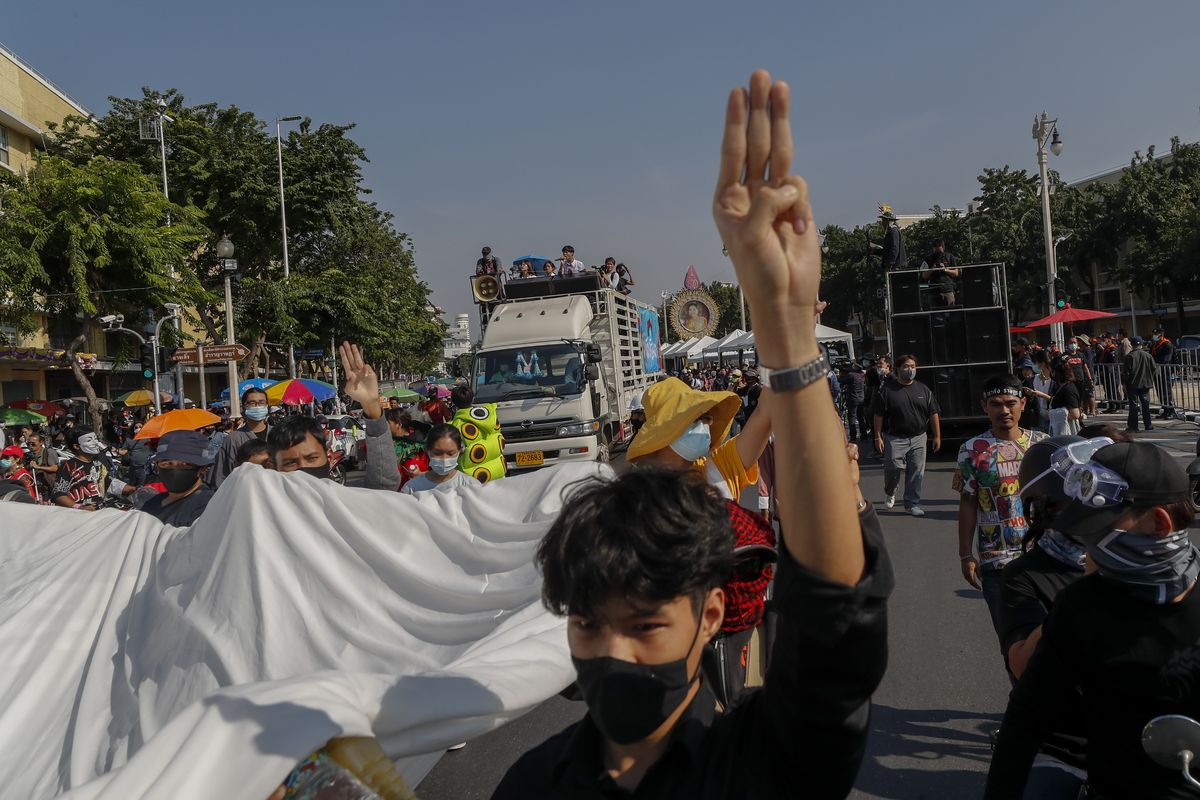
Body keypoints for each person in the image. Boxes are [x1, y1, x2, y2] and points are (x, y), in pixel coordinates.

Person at [495, 72, 891, 799]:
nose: (612, 655)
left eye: (645, 628)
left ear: (709, 613)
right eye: (588, 626)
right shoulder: (527, 784)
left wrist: (789, 332)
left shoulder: (759, 770)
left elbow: (836, 618)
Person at [985, 440, 1200, 799]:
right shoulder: (1079, 604)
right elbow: (1026, 714)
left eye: (1099, 530)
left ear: (1159, 524)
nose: (1088, 543)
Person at [994, 433, 1099, 797]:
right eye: (1082, 499)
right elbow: (1021, 664)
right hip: (1060, 745)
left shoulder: (1144, 561)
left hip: (1140, 738)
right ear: (1045, 507)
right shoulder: (1024, 575)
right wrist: (1088, 585)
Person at [955, 374, 1048, 636]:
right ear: (984, 406)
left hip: (1046, 556)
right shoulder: (972, 449)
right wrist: (965, 554)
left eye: (1010, 402)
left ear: (1023, 403)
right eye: (995, 404)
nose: (1004, 410)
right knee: (1014, 641)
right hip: (997, 562)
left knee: (1053, 639)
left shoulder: (1042, 444)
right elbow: (968, 502)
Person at [872, 354, 941, 516]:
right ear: (897, 369)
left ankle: (912, 503)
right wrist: (877, 436)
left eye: (912, 366)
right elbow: (878, 415)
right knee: (893, 468)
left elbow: (934, 413)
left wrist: (937, 436)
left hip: (918, 437)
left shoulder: (923, 389)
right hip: (894, 438)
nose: (909, 370)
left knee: (916, 471)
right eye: (906, 366)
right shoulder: (887, 390)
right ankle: (891, 490)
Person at [139, 430, 217, 526]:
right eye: (167, 463)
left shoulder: (207, 507)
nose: (175, 470)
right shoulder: (151, 503)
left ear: (203, 469)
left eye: (185, 464)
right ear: (157, 466)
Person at [51, 427, 136, 509]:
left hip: (98, 513)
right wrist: (79, 507)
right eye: (89, 440)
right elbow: (58, 494)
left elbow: (108, 483)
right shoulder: (68, 466)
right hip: (78, 516)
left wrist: (133, 489)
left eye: (95, 439)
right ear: (77, 446)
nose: (95, 443)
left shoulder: (98, 464)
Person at [208, 387, 273, 488]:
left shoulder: (277, 434)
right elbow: (221, 476)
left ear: (267, 406)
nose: (257, 406)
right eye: (252, 403)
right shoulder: (234, 438)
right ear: (244, 407)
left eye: (261, 402)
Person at [400, 424, 477, 494]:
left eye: (450, 453)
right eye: (437, 453)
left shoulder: (471, 485)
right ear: (428, 450)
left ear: (459, 451)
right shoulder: (412, 488)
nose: (444, 459)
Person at [1122, 335, 1156, 432]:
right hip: (1145, 384)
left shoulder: (1130, 356)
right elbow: (1154, 369)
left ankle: (1133, 426)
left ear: (1132, 345)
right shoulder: (1148, 356)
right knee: (1145, 404)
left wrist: (1124, 384)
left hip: (1132, 384)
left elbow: (1126, 373)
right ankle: (1148, 425)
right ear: (1141, 344)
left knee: (1133, 405)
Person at [1048, 359, 1081, 436]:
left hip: (1067, 431)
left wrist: (1057, 419)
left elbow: (1075, 414)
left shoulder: (1069, 388)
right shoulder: (1061, 387)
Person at [1150, 326, 1176, 419]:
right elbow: (1151, 356)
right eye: (1154, 334)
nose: (1154, 336)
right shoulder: (1154, 344)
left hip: (1165, 370)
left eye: (1156, 334)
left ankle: (1171, 411)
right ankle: (1165, 410)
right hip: (1157, 371)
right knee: (1160, 391)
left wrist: (1156, 363)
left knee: (1167, 391)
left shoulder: (1167, 344)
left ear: (1161, 335)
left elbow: (1167, 359)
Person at [841, 363, 868, 441]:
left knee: (852, 418)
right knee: (861, 417)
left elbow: (842, 381)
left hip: (853, 399)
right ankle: (864, 435)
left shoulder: (851, 375)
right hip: (861, 398)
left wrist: (841, 374)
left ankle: (853, 437)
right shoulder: (862, 375)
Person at [876, 203, 907, 271]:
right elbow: (888, 250)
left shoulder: (893, 231)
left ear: (887, 221)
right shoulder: (891, 231)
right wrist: (875, 251)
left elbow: (894, 248)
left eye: (883, 220)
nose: (882, 223)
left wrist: (890, 264)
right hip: (894, 266)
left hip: (896, 267)